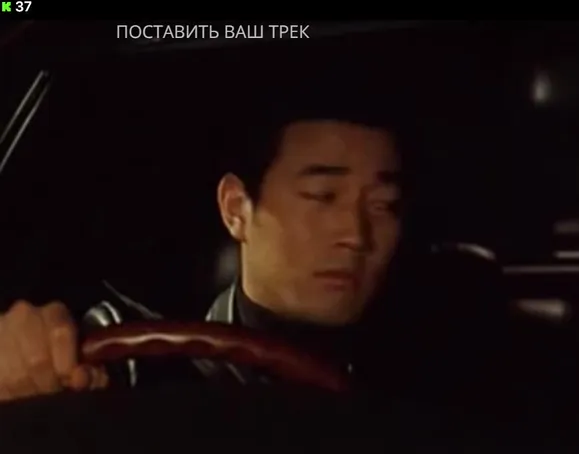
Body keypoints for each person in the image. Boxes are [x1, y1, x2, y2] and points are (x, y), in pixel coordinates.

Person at [0, 99, 481, 401]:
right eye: (321, 197)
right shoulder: (133, 362)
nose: (356, 235)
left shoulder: (446, 365)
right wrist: (24, 360)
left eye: (383, 205)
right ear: (236, 209)